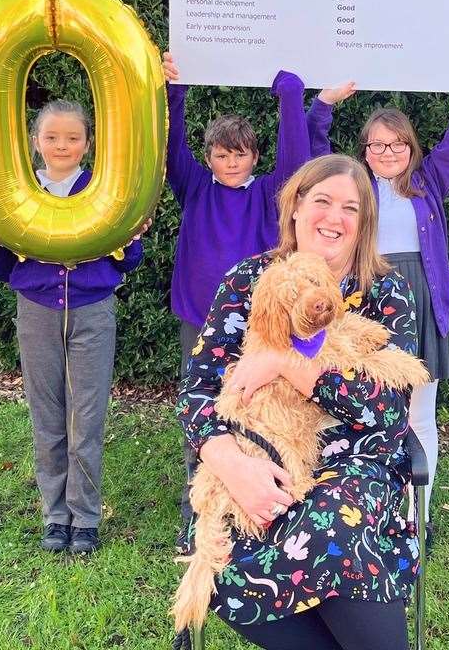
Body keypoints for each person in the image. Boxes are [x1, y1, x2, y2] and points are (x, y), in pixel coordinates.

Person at [178, 155, 419, 650]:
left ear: (363, 225)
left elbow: (389, 411)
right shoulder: (248, 282)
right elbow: (198, 390)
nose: (334, 218)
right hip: (256, 460)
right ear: (294, 209)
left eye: (350, 209)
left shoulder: (384, 293)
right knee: (223, 558)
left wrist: (289, 366)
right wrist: (231, 464)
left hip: (357, 468)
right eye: (322, 201)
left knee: (334, 533)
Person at [303, 48, 449, 538]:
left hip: (421, 305)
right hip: (364, 307)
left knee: (419, 415)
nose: (386, 153)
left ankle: (419, 514)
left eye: (396, 145)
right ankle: (364, 508)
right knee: (356, 410)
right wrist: (323, 104)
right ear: (364, 150)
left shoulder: (430, 182)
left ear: (411, 148)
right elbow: (312, 148)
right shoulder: (355, 188)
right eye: (376, 145)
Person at [0, 99, 145, 556]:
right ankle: (54, 515)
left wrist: (130, 242)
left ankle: (85, 517)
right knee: (47, 417)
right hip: (37, 312)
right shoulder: (19, 192)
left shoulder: (107, 189)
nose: (61, 145)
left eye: (72, 137)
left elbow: (129, 261)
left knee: (85, 418)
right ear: (35, 143)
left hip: (92, 311)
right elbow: (2, 267)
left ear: (88, 143)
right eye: (51, 137)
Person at [160, 54, 315, 542]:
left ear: (254, 156)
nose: (231, 162)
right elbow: (169, 148)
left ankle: (256, 500)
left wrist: (291, 99)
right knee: (200, 405)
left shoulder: (270, 191)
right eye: (222, 155)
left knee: (255, 408)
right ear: (209, 157)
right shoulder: (193, 186)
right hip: (199, 321)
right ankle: (199, 502)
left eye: (241, 154)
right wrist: (174, 92)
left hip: (255, 325)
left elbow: (297, 163)